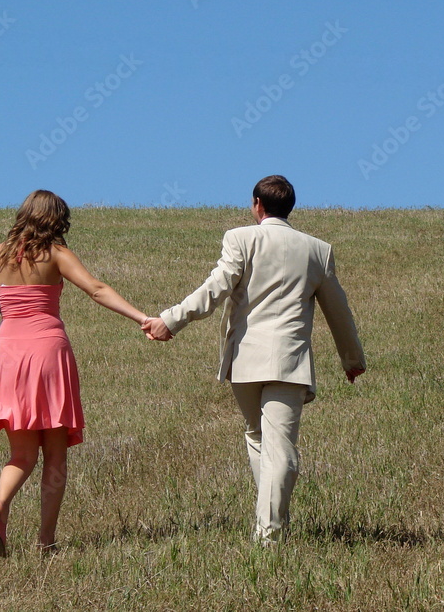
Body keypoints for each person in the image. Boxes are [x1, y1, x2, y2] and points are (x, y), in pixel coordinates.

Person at [143, 175, 366, 545]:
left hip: (245, 360)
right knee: (280, 446)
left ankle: (269, 527)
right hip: (290, 361)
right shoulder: (318, 250)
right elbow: (338, 311)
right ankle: (270, 533)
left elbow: (214, 289)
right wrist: (351, 359)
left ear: (257, 205)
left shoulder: (240, 238)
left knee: (258, 438)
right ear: (289, 207)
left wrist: (170, 320)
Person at [0, 190, 148, 556]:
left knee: (21, 455)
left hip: (9, 354)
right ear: (56, 220)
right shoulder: (55, 253)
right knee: (55, 455)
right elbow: (97, 290)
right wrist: (142, 317)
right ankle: (45, 540)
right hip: (48, 352)